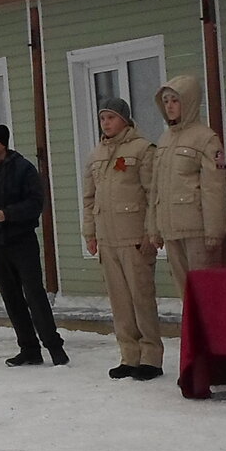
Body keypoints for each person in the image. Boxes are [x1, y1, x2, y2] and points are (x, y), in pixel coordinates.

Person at [0, 123, 67, 368]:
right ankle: (29, 348)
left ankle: (54, 347)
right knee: (11, 297)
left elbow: (36, 202)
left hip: (22, 241)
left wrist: (8, 214)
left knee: (34, 294)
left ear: (3, 143)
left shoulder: (23, 169)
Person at [81, 98, 162, 380]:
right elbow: (89, 198)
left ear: (125, 120)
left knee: (141, 298)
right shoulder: (96, 155)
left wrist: (151, 231)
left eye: (111, 117)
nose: (106, 123)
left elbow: (153, 193)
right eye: (103, 118)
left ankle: (151, 357)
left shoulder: (142, 150)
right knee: (120, 302)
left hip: (134, 237)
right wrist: (90, 233)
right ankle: (129, 356)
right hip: (108, 238)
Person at [150, 75, 226, 286]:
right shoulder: (164, 140)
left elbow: (214, 188)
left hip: (198, 229)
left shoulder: (205, 138)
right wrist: (154, 228)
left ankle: (207, 321)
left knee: (205, 289)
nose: (169, 106)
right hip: (171, 229)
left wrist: (214, 230)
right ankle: (190, 321)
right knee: (184, 290)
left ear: (189, 101)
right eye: (166, 101)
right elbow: (155, 189)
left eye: (175, 100)